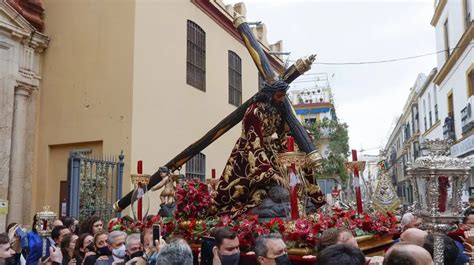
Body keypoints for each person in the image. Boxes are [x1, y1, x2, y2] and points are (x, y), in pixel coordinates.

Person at [214, 81, 325, 218]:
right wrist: (271, 174)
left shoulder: (279, 109)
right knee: (252, 189)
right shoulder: (254, 111)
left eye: (284, 96)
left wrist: (300, 144)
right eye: (279, 96)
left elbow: (285, 134)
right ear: (269, 95)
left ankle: (306, 198)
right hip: (250, 151)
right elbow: (255, 144)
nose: (282, 99)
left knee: (300, 161)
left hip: (271, 149)